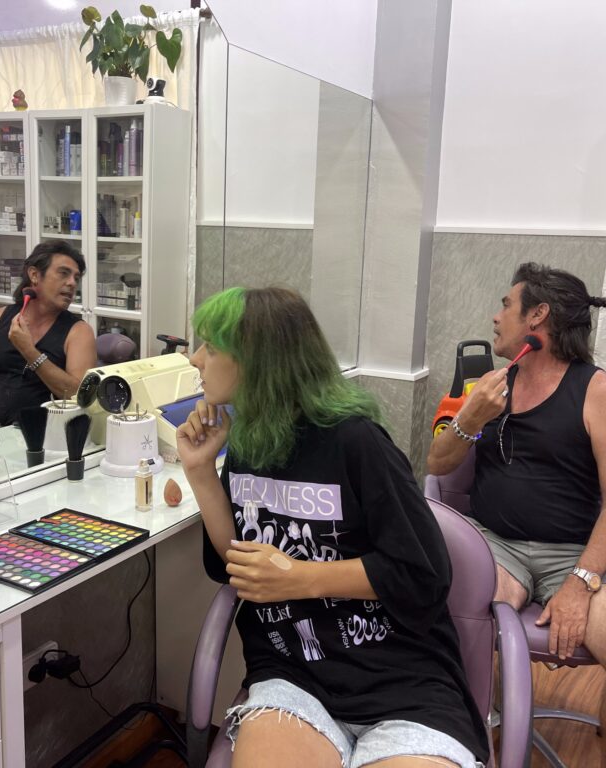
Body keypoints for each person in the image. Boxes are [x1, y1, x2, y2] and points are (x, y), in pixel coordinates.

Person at [177, 287, 487, 768]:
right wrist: (200, 471)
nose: (196, 358)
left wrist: (300, 578)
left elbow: (421, 573)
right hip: (293, 673)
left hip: (400, 679)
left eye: (211, 348)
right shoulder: (252, 442)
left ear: (259, 360)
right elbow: (238, 559)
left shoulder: (356, 441)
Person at [426, 263, 606, 767]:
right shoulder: (491, 387)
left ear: (537, 316)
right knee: (443, 626)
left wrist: (581, 583)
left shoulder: (597, 391)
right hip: (495, 545)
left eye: (506, 306)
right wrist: (470, 418)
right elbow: (437, 464)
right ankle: (468, 745)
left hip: (574, 555)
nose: (496, 317)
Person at [0, 240, 96, 427]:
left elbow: (78, 395)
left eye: (76, 278)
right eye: (63, 273)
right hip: (5, 432)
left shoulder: (79, 332)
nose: (72, 283)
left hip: (52, 436)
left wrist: (29, 351)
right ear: (34, 275)